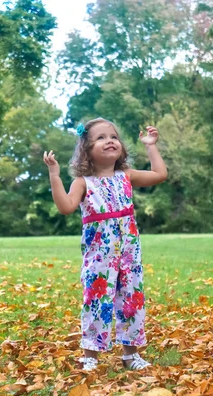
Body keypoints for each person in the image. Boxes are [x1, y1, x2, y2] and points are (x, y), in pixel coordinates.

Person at [42, 117, 168, 371]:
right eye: (100, 138)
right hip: (99, 256)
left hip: (129, 255)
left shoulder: (126, 176)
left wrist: (150, 145)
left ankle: (130, 355)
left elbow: (160, 174)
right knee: (97, 300)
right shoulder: (83, 183)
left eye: (113, 136)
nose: (110, 140)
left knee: (131, 299)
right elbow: (65, 207)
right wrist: (55, 175)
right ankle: (91, 355)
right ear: (86, 150)